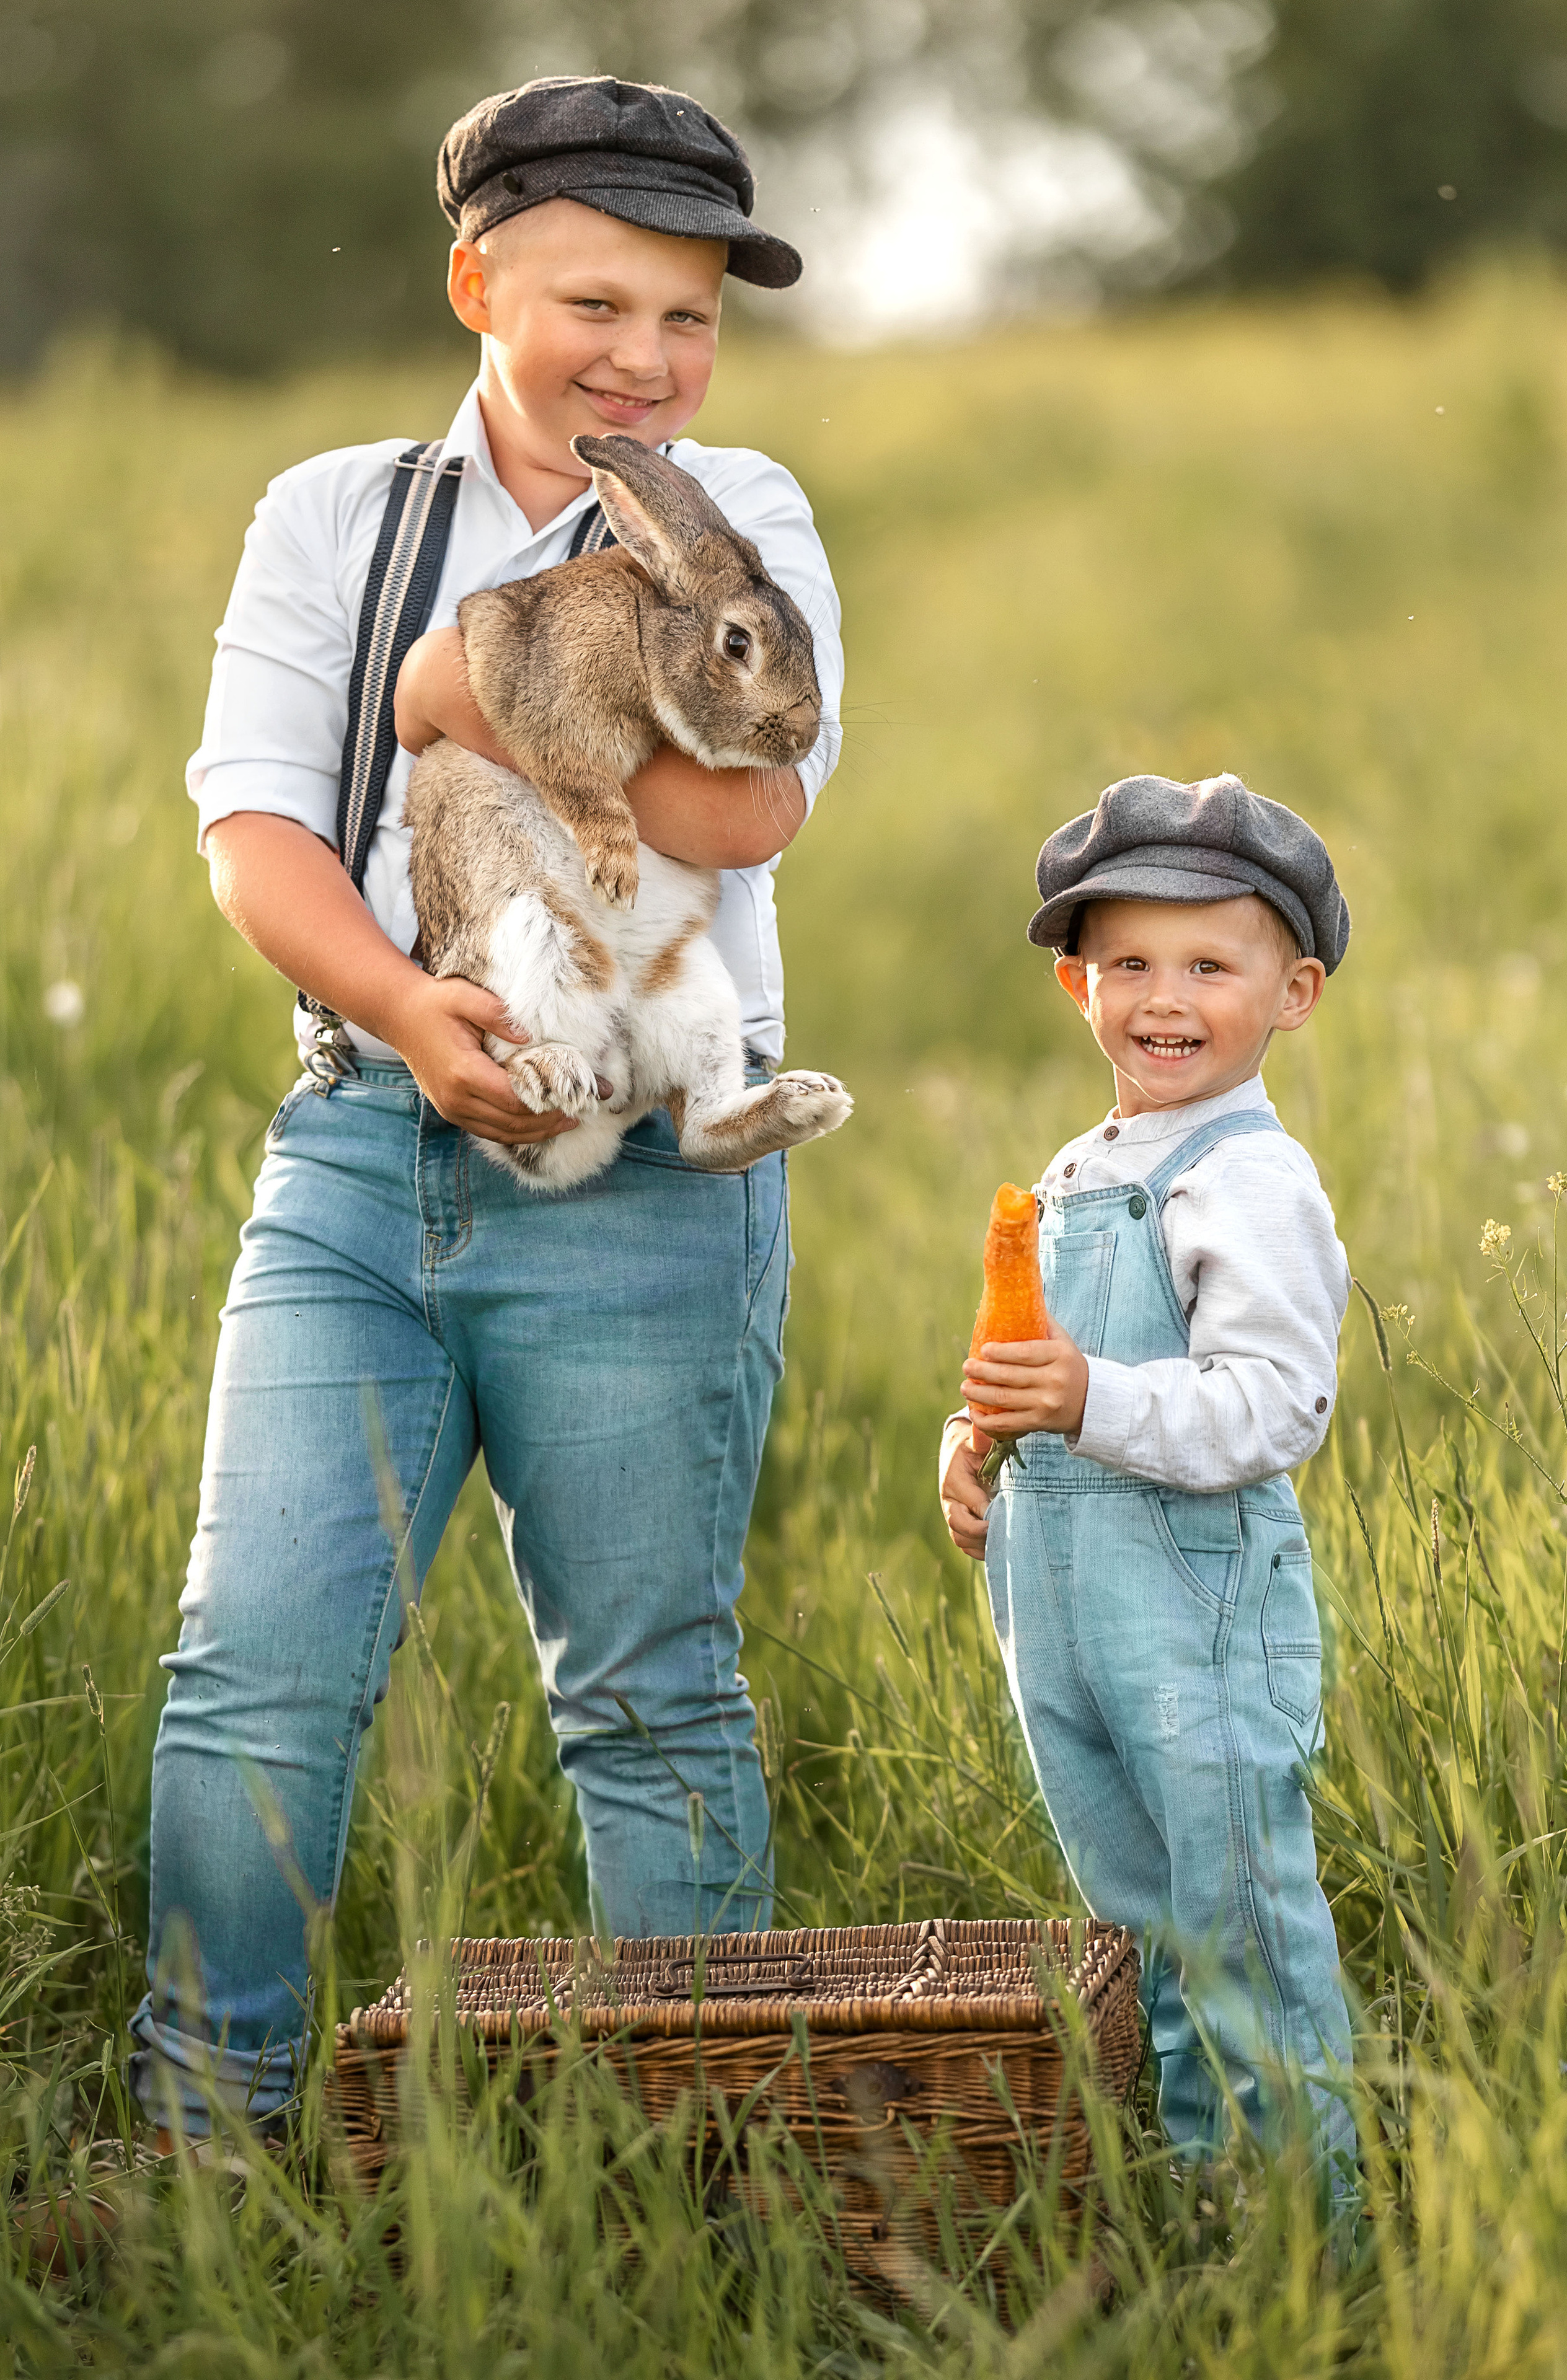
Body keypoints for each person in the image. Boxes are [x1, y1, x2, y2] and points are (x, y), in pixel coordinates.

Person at [131, 75, 842, 2138]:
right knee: (252, 1670)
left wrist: (457, 698)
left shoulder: (746, 514)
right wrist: (396, 1001)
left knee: (645, 1695)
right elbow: (259, 823)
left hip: (634, 1179)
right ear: (478, 282)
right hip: (366, 1139)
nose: (645, 357)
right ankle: (206, 2141)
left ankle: (703, 2161)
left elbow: (747, 795)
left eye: (690, 315)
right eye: (596, 301)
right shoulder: (335, 518)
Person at [937, 772, 1356, 2187]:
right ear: (1076, 983)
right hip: (1061, 1613)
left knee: (1234, 1907)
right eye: (1127, 963)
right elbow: (1035, 1359)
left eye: (1206, 965)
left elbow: (1273, 1402)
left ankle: (1309, 2211)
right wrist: (979, 1439)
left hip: (1193, 1612)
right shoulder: (1079, 1167)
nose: (1162, 998)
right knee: (1137, 1923)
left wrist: (1087, 1398)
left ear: (1288, 993)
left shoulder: (1250, 1178)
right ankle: (1200, 2182)